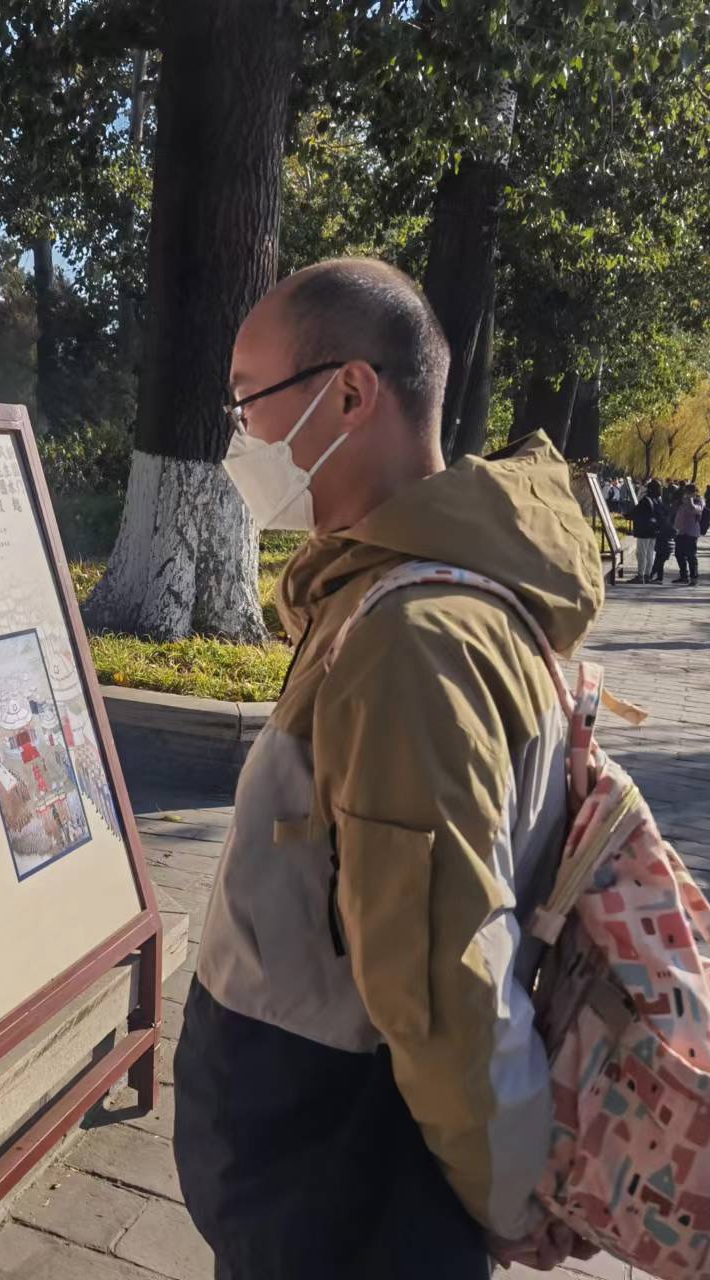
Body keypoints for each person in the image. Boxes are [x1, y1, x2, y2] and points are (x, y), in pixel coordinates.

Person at [186, 257, 601, 1276]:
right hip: (341, 1163)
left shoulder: (409, 637)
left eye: (248, 400)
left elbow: (440, 979)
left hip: (345, 1183)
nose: (238, 435)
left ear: (349, 393)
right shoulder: (417, 592)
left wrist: (505, 1192)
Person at [672, 483, 705, 585]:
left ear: (695, 492)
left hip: (691, 532)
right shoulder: (683, 501)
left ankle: (694, 577)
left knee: (691, 555)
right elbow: (678, 514)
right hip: (681, 531)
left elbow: (694, 509)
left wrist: (690, 499)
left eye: (690, 492)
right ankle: (683, 576)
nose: (687, 494)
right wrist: (675, 528)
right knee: (679, 554)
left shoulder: (699, 501)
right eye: (686, 492)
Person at [630, 479, 662, 583]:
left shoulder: (646, 499)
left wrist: (626, 515)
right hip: (654, 530)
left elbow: (636, 512)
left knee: (641, 554)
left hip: (643, 530)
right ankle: (648, 575)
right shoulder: (658, 499)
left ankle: (640, 576)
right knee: (650, 553)